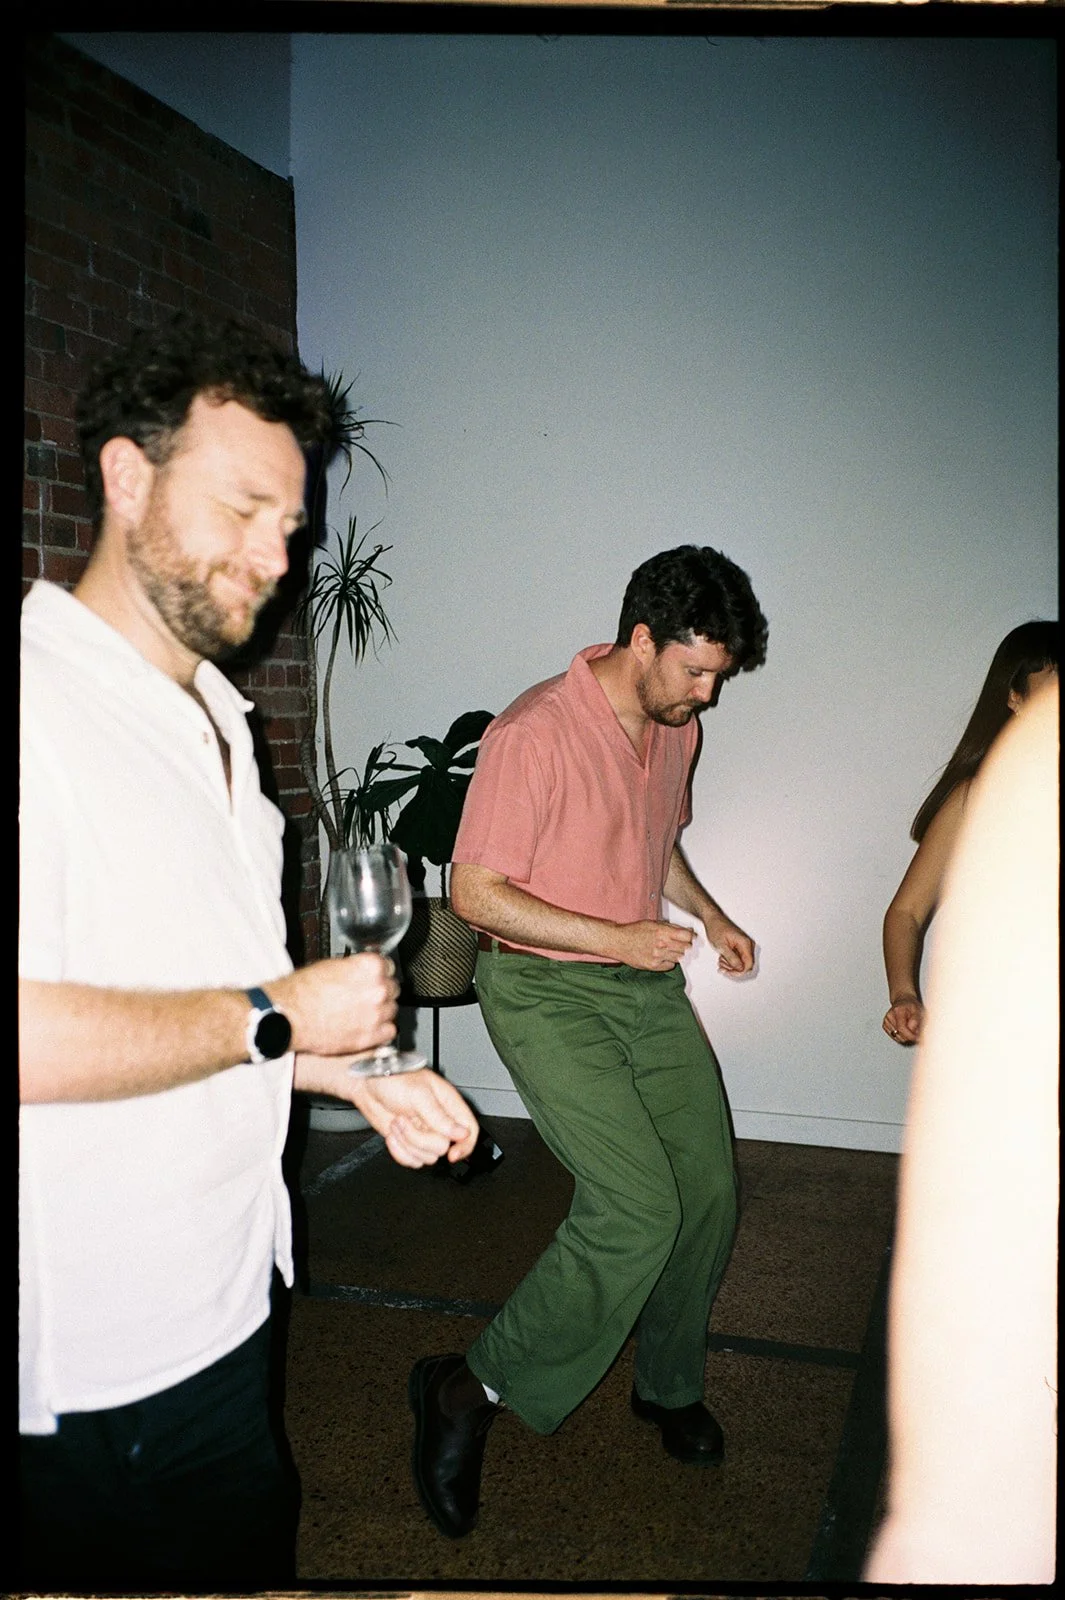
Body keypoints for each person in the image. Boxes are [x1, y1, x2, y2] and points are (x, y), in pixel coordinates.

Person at [18, 312, 479, 1592]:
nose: (277, 553)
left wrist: (343, 1071)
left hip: (228, 1310)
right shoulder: (37, 706)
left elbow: (197, 1021)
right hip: (88, 1378)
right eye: (244, 509)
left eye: (293, 524)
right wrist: (284, 1013)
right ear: (125, 475)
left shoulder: (224, 728)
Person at [407, 544, 769, 1539]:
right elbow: (476, 894)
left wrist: (714, 913)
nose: (708, 694)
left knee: (707, 1190)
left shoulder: (674, 725)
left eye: (719, 677)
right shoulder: (536, 732)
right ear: (638, 637)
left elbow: (658, 840)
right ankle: (466, 1389)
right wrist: (618, 935)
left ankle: (666, 1382)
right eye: (695, 670)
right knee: (634, 1208)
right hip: (541, 988)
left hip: (637, 985)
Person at [865, 678, 1058, 1583]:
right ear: (1019, 689)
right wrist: (905, 993)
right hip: (1006, 1075)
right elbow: (905, 911)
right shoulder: (984, 792)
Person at [882, 620, 1057, 1045]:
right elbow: (906, 913)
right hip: (1002, 1026)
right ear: (1015, 697)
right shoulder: (976, 798)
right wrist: (904, 994)